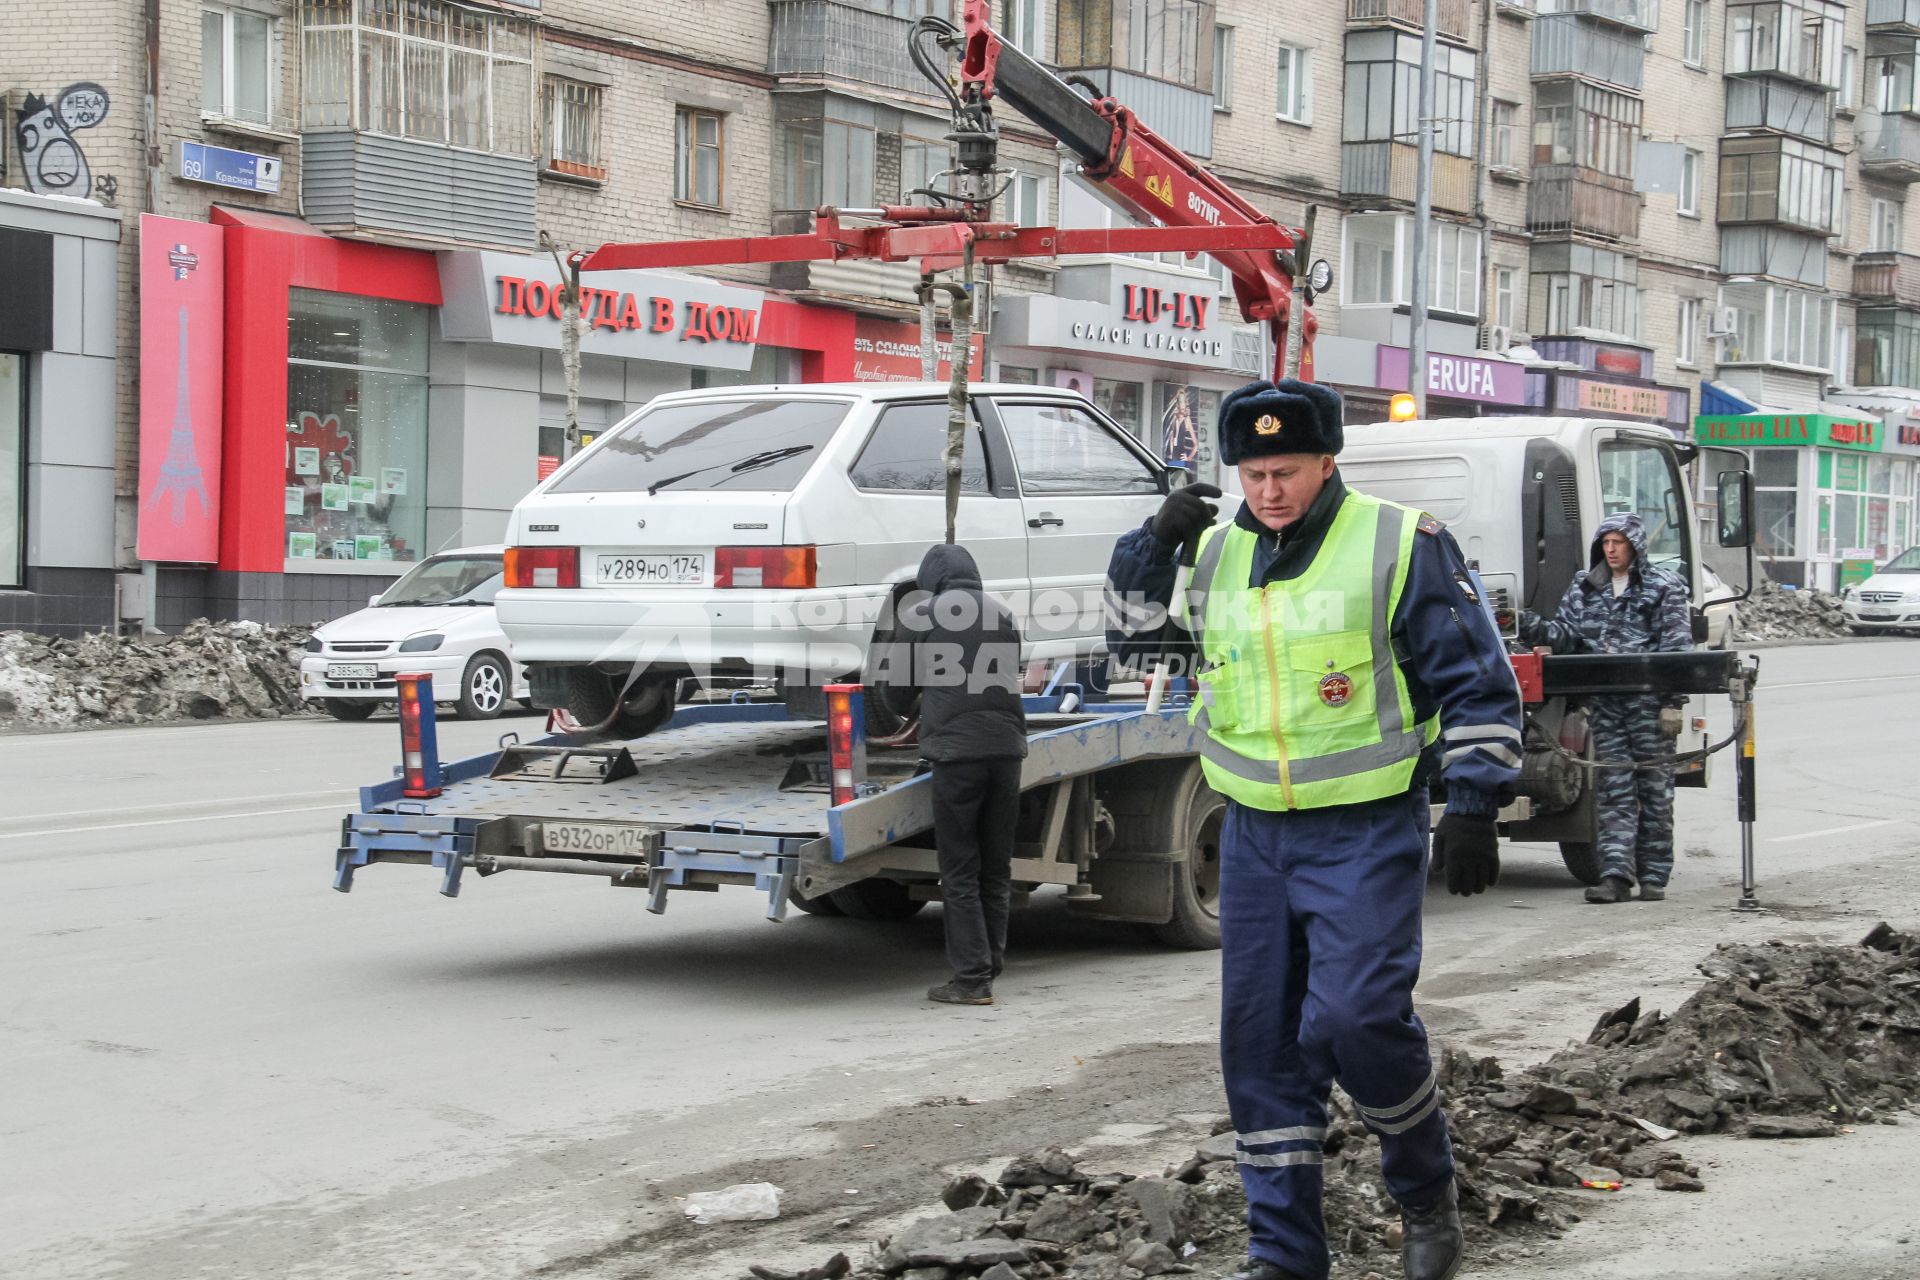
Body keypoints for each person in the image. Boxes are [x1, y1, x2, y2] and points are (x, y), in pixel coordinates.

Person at [1103, 378, 1523, 1280]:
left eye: (1285, 470)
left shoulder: (1402, 543)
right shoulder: (1214, 554)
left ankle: (1425, 1194)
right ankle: (1285, 1257)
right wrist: (1151, 548)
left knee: (1357, 1020)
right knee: (1260, 1050)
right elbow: (1137, 648)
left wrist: (1478, 803)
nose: (1268, 491)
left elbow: (1479, 685)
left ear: (1327, 461)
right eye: (1253, 474)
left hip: (1366, 828)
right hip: (1253, 834)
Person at [1517, 513, 1691, 905]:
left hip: (1648, 706)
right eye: (1606, 543)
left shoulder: (1663, 588)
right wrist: (1528, 625)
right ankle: (1615, 876)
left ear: (1635, 546)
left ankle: (1653, 875)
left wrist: (1672, 703)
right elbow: (1565, 636)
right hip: (1607, 705)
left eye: (1619, 543)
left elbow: (1677, 649)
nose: (1611, 550)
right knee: (1614, 790)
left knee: (1655, 791)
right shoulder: (1586, 587)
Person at [893, 543, 1028, 1006]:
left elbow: (894, 691)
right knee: (996, 866)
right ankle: (991, 963)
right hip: (1007, 751)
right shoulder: (1003, 614)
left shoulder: (922, 613)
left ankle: (972, 980)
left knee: (960, 869)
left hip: (956, 756)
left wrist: (922, 701)